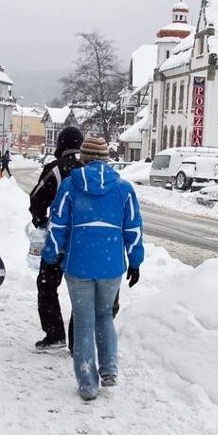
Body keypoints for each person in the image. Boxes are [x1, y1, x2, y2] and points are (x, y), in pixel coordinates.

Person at [41, 136, 144, 401]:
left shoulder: (69, 187)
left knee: (84, 321)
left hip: (78, 263)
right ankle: (109, 368)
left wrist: (51, 254)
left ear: (83, 159)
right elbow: (133, 228)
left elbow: (57, 225)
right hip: (111, 265)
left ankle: (87, 383)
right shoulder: (123, 189)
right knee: (104, 316)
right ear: (106, 159)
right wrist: (135, 261)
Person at [28, 126, 83, 351]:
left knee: (47, 285)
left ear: (61, 144)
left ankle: (55, 334)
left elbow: (36, 198)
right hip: (84, 241)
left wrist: (41, 222)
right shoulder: (88, 167)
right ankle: (78, 341)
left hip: (58, 239)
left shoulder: (56, 169)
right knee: (81, 291)